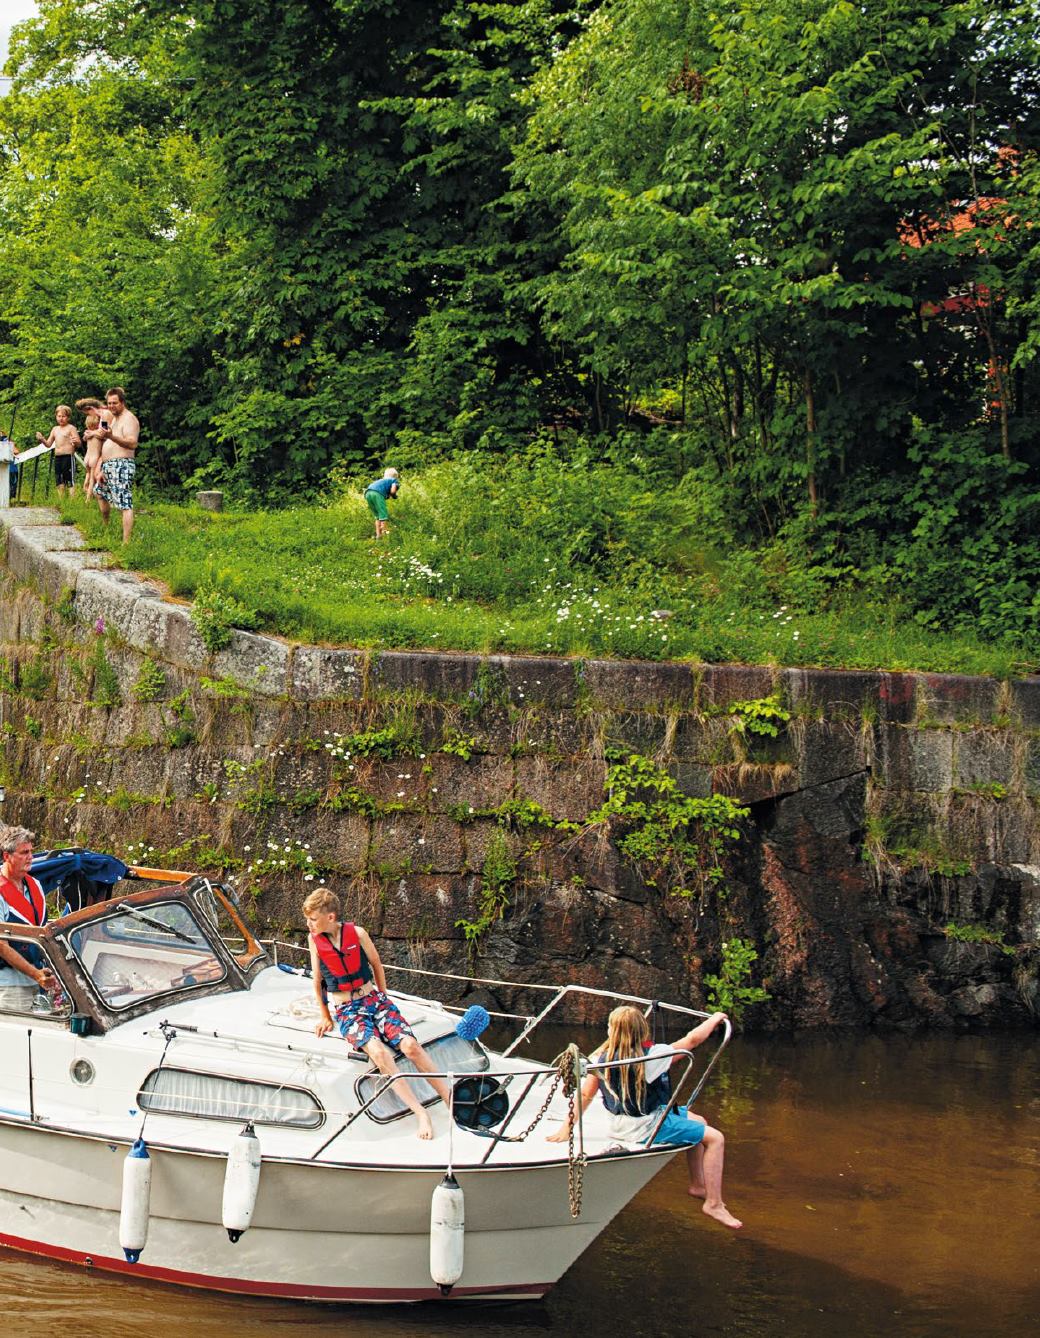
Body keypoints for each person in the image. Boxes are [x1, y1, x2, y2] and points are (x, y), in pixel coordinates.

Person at [547, 1005, 742, 1230]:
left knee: (699, 1122)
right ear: (642, 1030)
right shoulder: (653, 1056)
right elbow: (692, 1040)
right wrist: (715, 1018)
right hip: (646, 1126)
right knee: (716, 1138)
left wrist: (566, 1128)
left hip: (621, 1124)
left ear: (611, 1031)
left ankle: (698, 1185)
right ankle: (714, 1204)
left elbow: (585, 1095)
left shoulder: (600, 1058)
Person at [303, 886, 450, 1139]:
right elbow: (318, 981)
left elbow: (376, 964)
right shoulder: (314, 941)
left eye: (313, 919)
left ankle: (449, 1098)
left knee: (411, 1046)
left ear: (331, 917)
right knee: (380, 1053)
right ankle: (420, 1113)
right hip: (348, 1009)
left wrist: (383, 996)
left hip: (374, 1000)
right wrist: (325, 1016)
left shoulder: (358, 933)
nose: (309, 924)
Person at [0, 825, 56, 1011]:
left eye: (31, 851)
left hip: (37, 982)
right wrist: (36, 975)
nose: (30, 857)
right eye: (24, 852)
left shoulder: (35, 886)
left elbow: (44, 934)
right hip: (9, 987)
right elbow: (1, 946)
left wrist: (54, 973)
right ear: (7, 856)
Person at [94, 386, 140, 543]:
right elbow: (108, 441)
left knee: (124, 502)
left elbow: (132, 443)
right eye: (109, 403)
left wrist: (112, 437)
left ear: (122, 402)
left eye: (115, 403)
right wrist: (102, 468)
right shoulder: (114, 419)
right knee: (99, 492)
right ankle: (106, 528)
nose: (111, 406)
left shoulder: (129, 419)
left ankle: (126, 543)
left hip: (122, 465)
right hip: (109, 465)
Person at [36, 404, 82, 500]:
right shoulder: (55, 429)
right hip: (58, 457)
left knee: (69, 479)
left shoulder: (71, 428)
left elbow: (79, 443)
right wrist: (42, 439)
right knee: (59, 479)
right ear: (56, 416)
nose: (61, 418)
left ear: (68, 417)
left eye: (63, 416)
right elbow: (48, 444)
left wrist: (76, 442)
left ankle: (72, 501)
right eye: (59, 416)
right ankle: (62, 501)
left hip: (68, 457)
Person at [76, 397, 104, 499]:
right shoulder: (98, 420)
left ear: (91, 408)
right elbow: (102, 434)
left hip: (89, 456)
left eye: (87, 413)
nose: (87, 415)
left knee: (90, 475)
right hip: (93, 456)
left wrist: (91, 433)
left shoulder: (104, 416)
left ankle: (87, 492)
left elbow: (103, 433)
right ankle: (88, 497)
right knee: (92, 477)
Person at [364, 467, 400, 539]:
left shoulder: (381, 481)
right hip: (377, 494)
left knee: (377, 516)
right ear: (396, 477)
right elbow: (393, 491)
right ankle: (384, 534)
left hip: (367, 493)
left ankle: (378, 536)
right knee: (383, 515)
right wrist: (394, 496)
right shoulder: (393, 480)